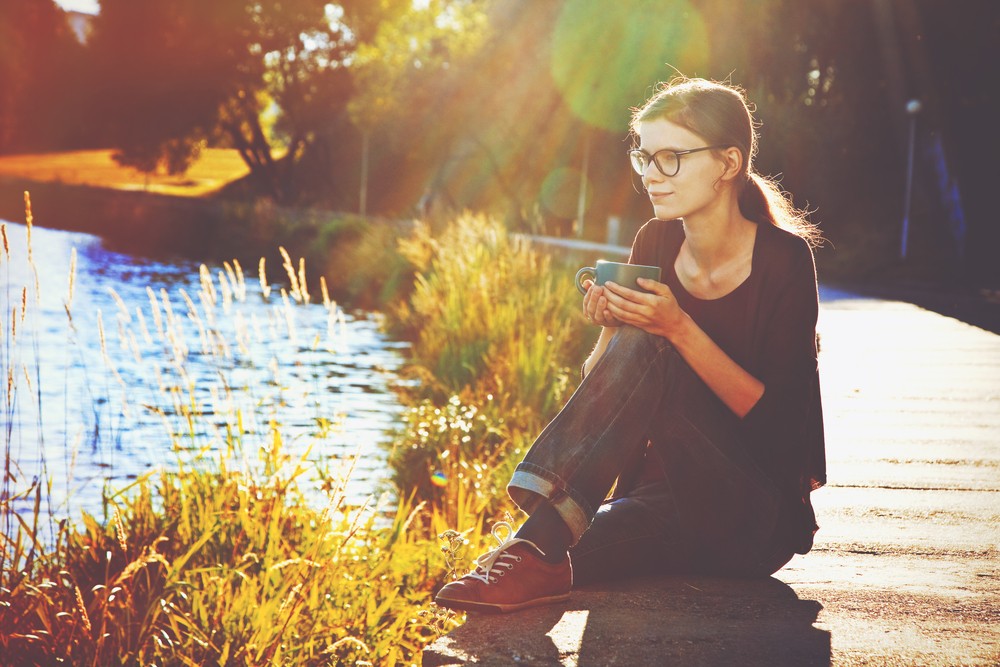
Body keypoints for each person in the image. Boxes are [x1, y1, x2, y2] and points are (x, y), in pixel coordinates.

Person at [435, 77, 826, 613]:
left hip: (753, 520)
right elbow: (608, 393)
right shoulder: (655, 240)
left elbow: (780, 422)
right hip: (662, 507)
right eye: (644, 156)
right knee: (553, 553)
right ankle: (534, 548)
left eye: (671, 158)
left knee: (654, 340)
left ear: (728, 163)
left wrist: (677, 327)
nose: (650, 175)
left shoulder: (785, 261)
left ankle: (538, 537)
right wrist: (611, 325)